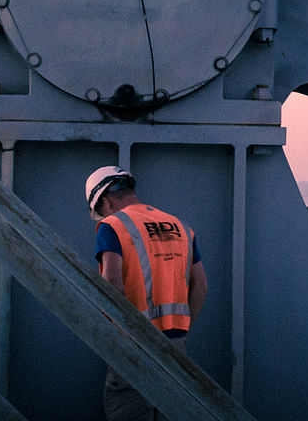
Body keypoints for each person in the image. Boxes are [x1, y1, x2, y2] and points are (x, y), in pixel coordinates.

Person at [85, 165, 208, 421]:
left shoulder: (112, 226)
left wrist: (115, 332)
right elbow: (201, 287)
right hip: (175, 344)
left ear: (105, 202)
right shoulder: (181, 226)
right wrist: (181, 329)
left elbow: (111, 283)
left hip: (133, 343)